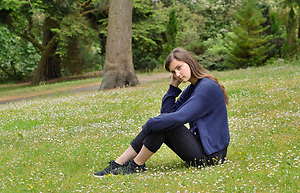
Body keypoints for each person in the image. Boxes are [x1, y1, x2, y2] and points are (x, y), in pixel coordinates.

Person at [94, 47, 230, 177]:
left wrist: (149, 125)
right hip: (201, 149)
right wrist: (172, 88)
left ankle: (136, 165)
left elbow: (179, 118)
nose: (177, 74)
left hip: (212, 156)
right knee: (163, 122)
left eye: (179, 67)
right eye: (173, 72)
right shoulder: (193, 88)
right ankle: (119, 163)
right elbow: (168, 114)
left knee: (161, 123)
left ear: (189, 62)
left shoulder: (207, 87)